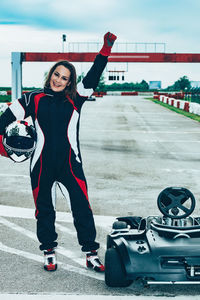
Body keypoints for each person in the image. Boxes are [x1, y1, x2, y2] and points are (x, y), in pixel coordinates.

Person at [0, 32, 117, 272]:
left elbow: (94, 74)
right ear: (50, 74)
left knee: (82, 208)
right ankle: (49, 252)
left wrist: (105, 49)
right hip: (41, 165)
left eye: (64, 78)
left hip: (70, 165)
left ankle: (91, 254)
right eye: (56, 74)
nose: (58, 80)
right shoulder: (31, 99)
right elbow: (2, 122)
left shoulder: (77, 98)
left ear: (69, 81)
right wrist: (5, 149)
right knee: (44, 210)